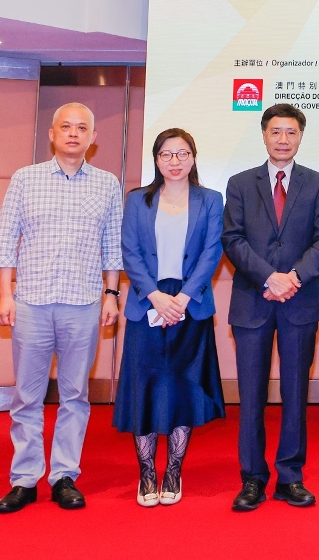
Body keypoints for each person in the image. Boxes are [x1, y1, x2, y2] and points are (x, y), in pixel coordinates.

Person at [0, 102, 123, 513]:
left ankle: (65, 476)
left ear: (92, 137)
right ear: (52, 133)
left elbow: (112, 246)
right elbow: (5, 239)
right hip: (31, 302)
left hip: (83, 304)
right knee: (27, 397)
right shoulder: (25, 179)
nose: (73, 133)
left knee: (75, 395)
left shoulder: (107, 184)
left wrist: (111, 295)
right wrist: (5, 293)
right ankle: (24, 479)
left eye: (82, 128)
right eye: (66, 126)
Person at [223, 104, 319, 511]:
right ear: (264, 135)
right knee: (251, 396)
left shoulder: (317, 183)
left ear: (301, 136)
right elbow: (232, 239)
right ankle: (252, 478)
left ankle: (290, 477)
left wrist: (293, 278)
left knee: (295, 394)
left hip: (299, 302)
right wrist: (269, 277)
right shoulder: (240, 183)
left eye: (291, 132)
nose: (283, 139)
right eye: (276, 131)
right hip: (253, 301)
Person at [115, 128, 226, 507]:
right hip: (147, 300)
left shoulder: (211, 200)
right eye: (166, 154)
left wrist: (181, 299)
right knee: (144, 388)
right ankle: (147, 472)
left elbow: (212, 252)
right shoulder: (137, 200)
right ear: (156, 159)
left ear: (193, 158)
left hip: (189, 304)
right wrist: (156, 297)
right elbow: (129, 252)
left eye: (182, 154)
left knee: (183, 388)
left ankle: (174, 470)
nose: (174, 161)